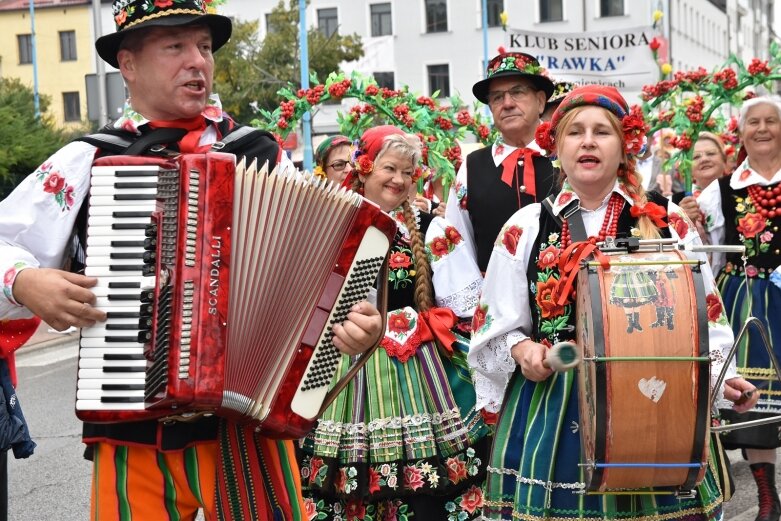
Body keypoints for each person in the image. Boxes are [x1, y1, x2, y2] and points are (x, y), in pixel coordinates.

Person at [0, 1, 383, 519]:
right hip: (131, 421)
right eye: (175, 46)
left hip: (245, 429)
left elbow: (322, 274)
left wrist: (353, 322)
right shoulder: (92, 158)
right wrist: (24, 280)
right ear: (128, 63)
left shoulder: (260, 155)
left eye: (203, 46)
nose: (197, 61)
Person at [467, 84, 758, 520]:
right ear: (557, 148)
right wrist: (522, 350)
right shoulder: (526, 225)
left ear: (625, 149)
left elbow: (705, 315)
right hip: (554, 406)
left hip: (655, 396)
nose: (587, 141)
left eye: (602, 132)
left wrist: (721, 375)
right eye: (575, 132)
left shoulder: (666, 220)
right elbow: (495, 321)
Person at [298, 125, 490, 520]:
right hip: (345, 365)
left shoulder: (429, 229)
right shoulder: (329, 221)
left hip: (417, 368)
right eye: (390, 168)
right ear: (364, 169)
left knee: (428, 489)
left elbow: (469, 304)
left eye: (408, 172)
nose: (400, 180)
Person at [698, 95, 781, 521]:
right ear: (742, 132)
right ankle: (768, 498)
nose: (763, 129)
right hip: (748, 300)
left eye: (771, 121)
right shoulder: (723, 189)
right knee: (757, 403)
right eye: (754, 123)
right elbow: (708, 253)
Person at [446, 51, 557, 273]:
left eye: (517, 92)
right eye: (497, 97)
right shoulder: (472, 166)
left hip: (564, 301)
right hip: (495, 302)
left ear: (541, 101)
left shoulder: (565, 157)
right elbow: (457, 245)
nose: (507, 103)